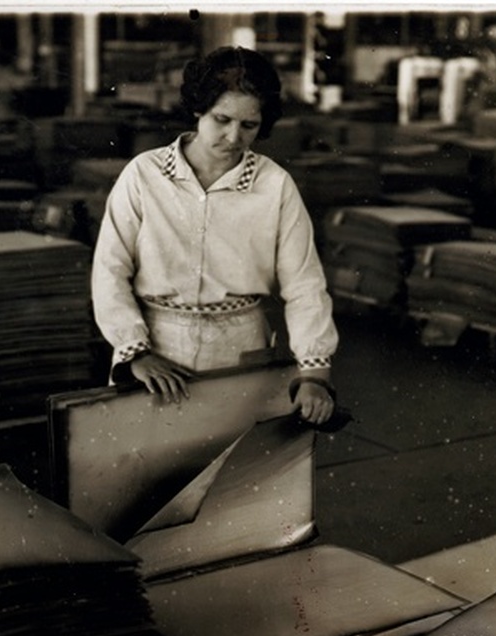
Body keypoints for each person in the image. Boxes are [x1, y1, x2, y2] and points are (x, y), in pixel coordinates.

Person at [91, 46, 339, 426]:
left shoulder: (275, 186)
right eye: (221, 119)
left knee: (233, 468)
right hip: (156, 343)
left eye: (249, 125)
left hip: (240, 346)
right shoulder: (145, 175)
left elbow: (304, 284)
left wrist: (313, 375)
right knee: (145, 466)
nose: (232, 136)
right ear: (197, 109)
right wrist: (135, 352)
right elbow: (110, 269)